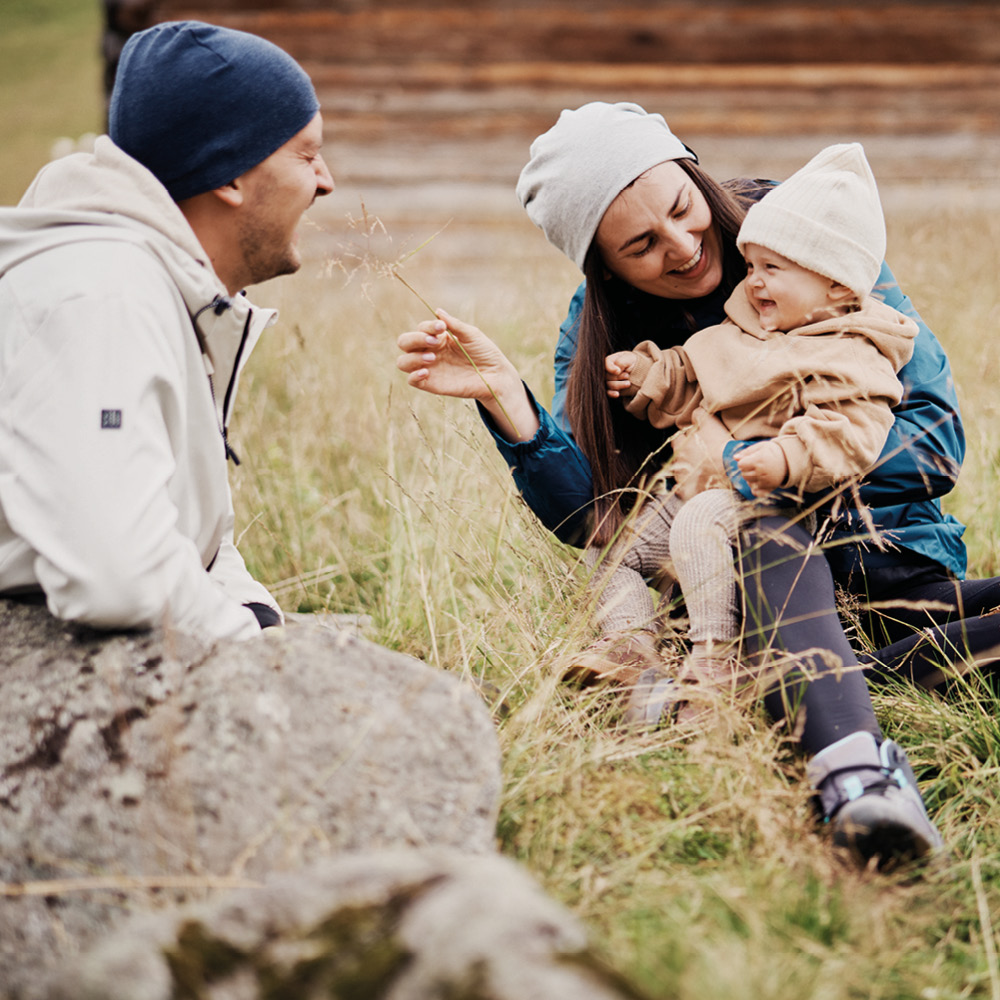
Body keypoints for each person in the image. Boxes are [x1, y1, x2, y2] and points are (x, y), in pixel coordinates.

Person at [393, 101, 996, 865]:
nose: (681, 247)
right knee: (741, 527)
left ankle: (768, 699)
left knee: (763, 516)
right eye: (641, 245)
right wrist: (507, 399)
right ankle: (825, 737)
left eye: (682, 208)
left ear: (696, 174)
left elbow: (934, 442)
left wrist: (764, 465)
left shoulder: (809, 239)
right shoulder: (603, 332)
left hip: (882, 560)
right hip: (733, 593)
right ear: (605, 267)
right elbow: (599, 524)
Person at [0, 20, 334, 640]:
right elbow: (117, 572)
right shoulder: (101, 297)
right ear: (229, 174)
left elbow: (193, 537)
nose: (326, 181)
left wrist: (256, 615)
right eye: (308, 155)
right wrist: (254, 649)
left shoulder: (161, 288)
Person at [598, 143, 917, 722]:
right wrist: (647, 374)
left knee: (698, 523)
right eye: (751, 267)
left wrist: (785, 456)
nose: (754, 283)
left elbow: (850, 431)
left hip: (777, 505)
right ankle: (629, 652)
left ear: (836, 286)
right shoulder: (746, 329)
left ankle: (715, 661)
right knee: (617, 549)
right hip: (702, 487)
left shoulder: (850, 353)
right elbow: (695, 376)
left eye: (774, 269)